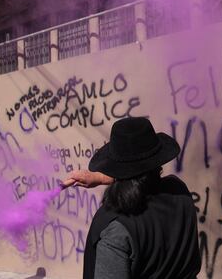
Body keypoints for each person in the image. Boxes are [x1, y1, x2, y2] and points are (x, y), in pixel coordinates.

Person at [63, 117, 201, 279]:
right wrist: (103, 177)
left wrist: (112, 176)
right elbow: (144, 181)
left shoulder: (115, 227)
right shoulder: (178, 190)